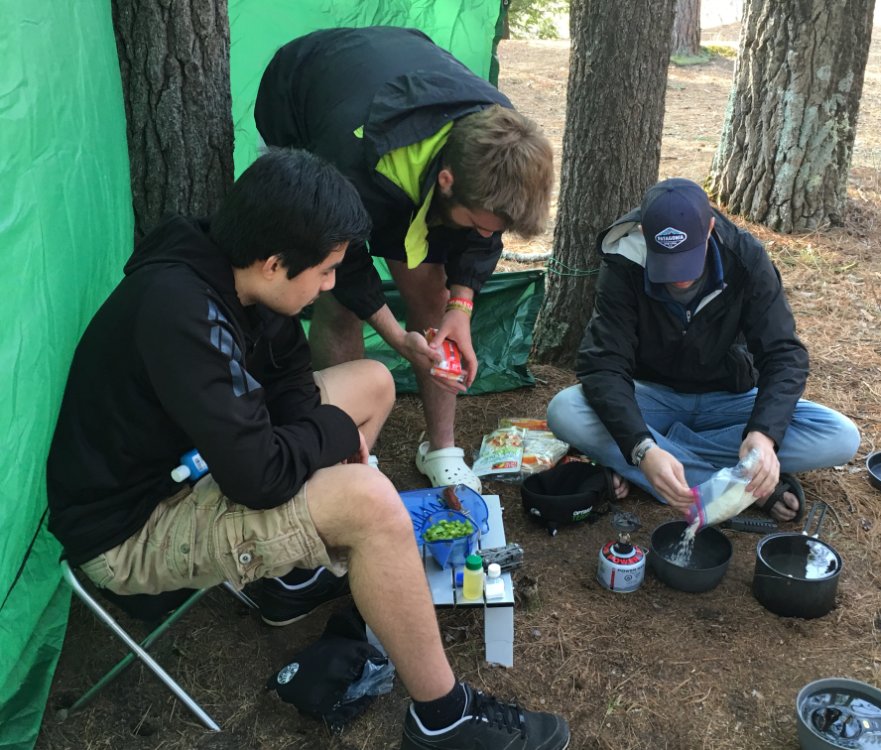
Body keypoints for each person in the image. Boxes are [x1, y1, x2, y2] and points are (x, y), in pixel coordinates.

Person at [47, 149, 569, 750]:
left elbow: (292, 382)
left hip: (194, 458)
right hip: (132, 530)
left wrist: (319, 432)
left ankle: (290, 579)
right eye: (324, 273)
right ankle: (442, 718)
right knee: (371, 503)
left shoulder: (238, 275)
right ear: (274, 263)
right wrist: (335, 440)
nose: (329, 287)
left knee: (371, 380)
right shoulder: (181, 312)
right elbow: (261, 477)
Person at [254, 26, 555, 492]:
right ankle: (344, 449)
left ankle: (441, 448)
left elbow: (483, 236)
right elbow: (345, 266)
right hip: (305, 94)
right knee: (337, 297)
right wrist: (396, 337)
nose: (482, 234)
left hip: (404, 88)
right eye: (475, 223)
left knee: (431, 291)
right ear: (448, 180)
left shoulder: (502, 145)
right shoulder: (349, 158)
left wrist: (461, 307)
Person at [546, 178, 860, 519]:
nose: (680, 278)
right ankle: (739, 489)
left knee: (840, 436)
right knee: (566, 410)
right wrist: (643, 447)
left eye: (688, 261)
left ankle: (658, 468)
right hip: (652, 401)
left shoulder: (745, 258)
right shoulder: (625, 264)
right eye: (668, 263)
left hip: (728, 401)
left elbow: (784, 354)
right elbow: (603, 365)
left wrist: (763, 436)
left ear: (710, 227)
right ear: (646, 237)